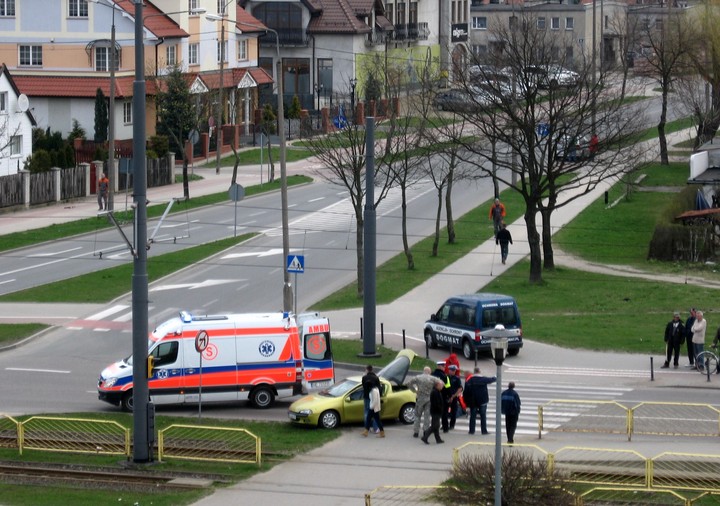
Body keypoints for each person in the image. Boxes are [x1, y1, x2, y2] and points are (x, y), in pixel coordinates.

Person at [406, 366, 443, 438]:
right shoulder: (433, 378)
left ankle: (416, 432)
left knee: (417, 415)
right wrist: (435, 389)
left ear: (423, 371)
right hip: (429, 399)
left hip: (420, 398)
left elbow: (408, 383)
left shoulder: (418, 377)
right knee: (427, 416)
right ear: (429, 372)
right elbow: (442, 383)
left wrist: (414, 390)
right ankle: (425, 431)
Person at [463, 367, 496, 435]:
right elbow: (492, 379)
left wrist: (467, 403)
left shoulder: (469, 381)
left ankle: (471, 430)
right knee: (483, 416)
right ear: (479, 371)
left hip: (473, 401)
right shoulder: (483, 379)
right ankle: (484, 431)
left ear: (474, 372)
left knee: (473, 416)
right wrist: (495, 376)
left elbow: (465, 393)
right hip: (482, 400)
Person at [421, 380, 445, 445]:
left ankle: (438, 439)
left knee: (436, 426)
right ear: (437, 385)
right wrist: (440, 409)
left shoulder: (437, 391)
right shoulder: (435, 392)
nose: (442, 386)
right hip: (435, 411)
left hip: (436, 411)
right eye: (441, 385)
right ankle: (425, 437)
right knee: (434, 426)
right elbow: (436, 403)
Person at [431, 361, 450, 433]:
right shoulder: (445, 376)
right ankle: (445, 428)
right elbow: (448, 387)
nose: (444, 368)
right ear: (440, 366)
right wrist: (449, 396)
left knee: (434, 414)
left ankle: (434, 428)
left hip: (433, 396)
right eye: (443, 366)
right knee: (444, 413)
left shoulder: (432, 374)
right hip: (443, 397)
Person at [361, 364, 380, 433]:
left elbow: (363, 386)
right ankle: (376, 428)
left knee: (366, 412)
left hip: (366, 397)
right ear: (372, 369)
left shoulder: (364, 378)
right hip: (374, 397)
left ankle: (367, 428)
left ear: (367, 369)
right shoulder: (376, 378)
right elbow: (379, 388)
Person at [446, 364, 463, 430]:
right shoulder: (446, 377)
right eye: (451, 370)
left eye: (454, 370)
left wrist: (453, 396)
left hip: (454, 397)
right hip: (446, 396)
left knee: (453, 412)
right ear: (449, 370)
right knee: (445, 412)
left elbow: (460, 388)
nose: (452, 372)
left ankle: (452, 425)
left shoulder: (457, 378)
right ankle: (445, 424)